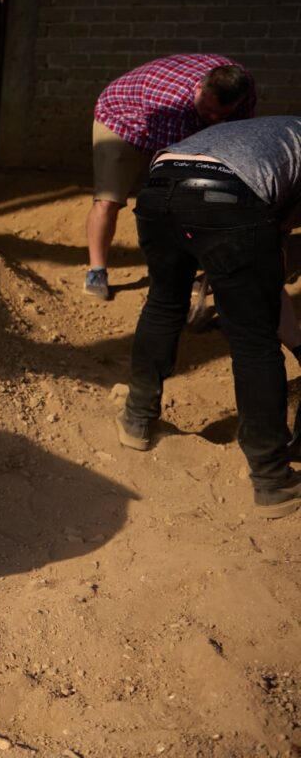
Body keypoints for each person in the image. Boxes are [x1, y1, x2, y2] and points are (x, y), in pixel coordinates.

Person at [119, 115, 301, 519]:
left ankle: (136, 420)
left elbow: (273, 261)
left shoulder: (278, 135)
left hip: (158, 190)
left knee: (165, 303)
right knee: (254, 342)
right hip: (228, 200)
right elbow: (272, 268)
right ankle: (272, 479)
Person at [85, 55, 255, 300]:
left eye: (222, 113)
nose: (215, 119)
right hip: (122, 119)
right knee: (108, 199)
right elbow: (169, 167)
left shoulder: (243, 86)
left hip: (174, 120)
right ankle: (96, 271)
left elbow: (237, 135)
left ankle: (203, 266)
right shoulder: (168, 102)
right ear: (198, 88)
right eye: (208, 111)